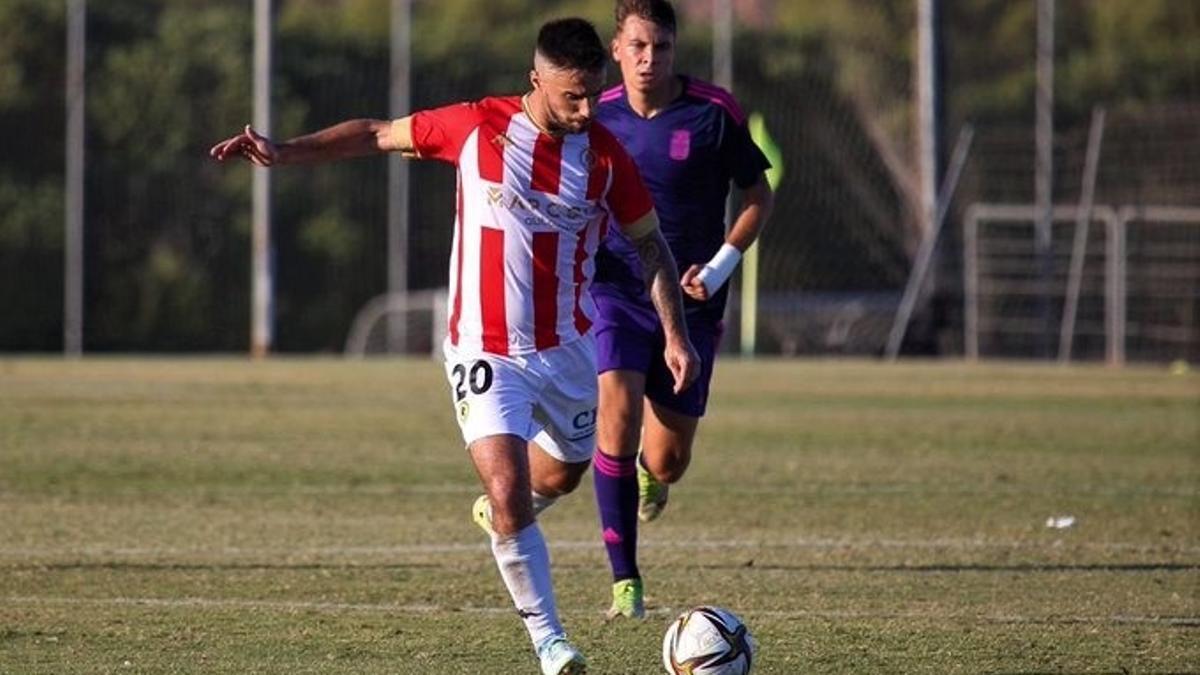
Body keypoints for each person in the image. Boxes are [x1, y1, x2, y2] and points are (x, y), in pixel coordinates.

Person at [210, 17, 697, 675]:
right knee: (509, 489)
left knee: (563, 471)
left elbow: (650, 245)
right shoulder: (477, 127)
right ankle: (551, 642)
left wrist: (675, 331)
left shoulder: (606, 158)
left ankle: (507, 513)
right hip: (483, 351)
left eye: (592, 94)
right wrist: (285, 150)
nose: (586, 109)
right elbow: (378, 133)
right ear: (536, 81)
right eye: (570, 97)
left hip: (569, 351)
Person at [589, 0, 775, 620]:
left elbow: (757, 196)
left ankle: (650, 474)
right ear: (615, 49)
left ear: (674, 50)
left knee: (670, 459)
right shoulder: (595, 117)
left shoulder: (713, 113)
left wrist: (720, 265)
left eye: (660, 47)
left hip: (693, 302)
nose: (649, 59)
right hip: (615, 290)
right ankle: (626, 580)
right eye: (637, 46)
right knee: (615, 414)